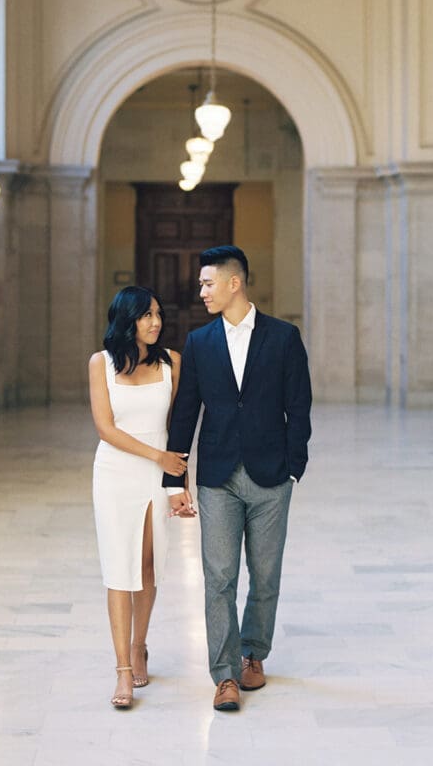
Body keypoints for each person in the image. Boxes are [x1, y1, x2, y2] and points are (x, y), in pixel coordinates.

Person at [164, 245, 312, 711]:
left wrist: (294, 465)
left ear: (234, 283)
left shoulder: (284, 337)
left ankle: (254, 654)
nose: (201, 291)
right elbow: (187, 409)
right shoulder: (199, 342)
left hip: (272, 477)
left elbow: (300, 405)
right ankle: (224, 675)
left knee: (265, 576)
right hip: (218, 477)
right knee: (219, 576)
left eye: (208, 283)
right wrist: (176, 477)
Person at [90, 286, 188, 709]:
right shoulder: (101, 363)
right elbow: (106, 428)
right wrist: (158, 456)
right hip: (115, 472)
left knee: (147, 564)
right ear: (125, 319)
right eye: (147, 315)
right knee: (119, 567)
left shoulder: (172, 364)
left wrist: (179, 483)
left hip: (158, 472)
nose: (155, 322)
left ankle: (139, 646)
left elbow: (178, 430)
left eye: (158, 315)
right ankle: (122, 672)